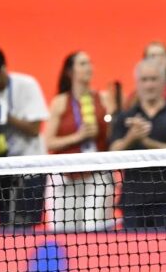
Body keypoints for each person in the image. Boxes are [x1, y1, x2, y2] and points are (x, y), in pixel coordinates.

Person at [108, 59, 166, 228]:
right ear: (137, 83)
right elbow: (113, 152)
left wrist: (145, 140)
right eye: (144, 80)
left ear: (163, 83)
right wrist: (131, 137)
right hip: (134, 201)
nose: (149, 85)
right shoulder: (125, 117)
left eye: (154, 79)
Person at [44, 52, 116, 232]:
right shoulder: (60, 102)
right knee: (62, 231)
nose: (89, 67)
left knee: (95, 229)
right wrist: (78, 136)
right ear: (70, 71)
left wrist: (113, 117)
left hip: (96, 175)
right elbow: (48, 142)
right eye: (83, 64)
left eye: (90, 63)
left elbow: (112, 138)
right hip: (65, 176)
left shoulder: (104, 99)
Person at [0, 45, 47, 229]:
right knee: (5, 224)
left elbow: (35, 129)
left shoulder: (27, 85)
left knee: (26, 224)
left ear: (1, 69)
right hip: (3, 170)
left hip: (31, 168)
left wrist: (6, 117)